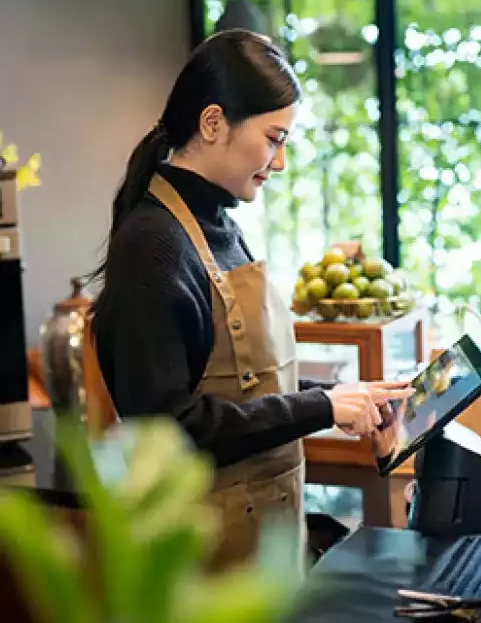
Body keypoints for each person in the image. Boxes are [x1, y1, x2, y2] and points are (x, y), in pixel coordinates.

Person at [90, 29, 412, 568]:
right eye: (273, 138)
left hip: (258, 551)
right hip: (199, 565)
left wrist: (344, 397)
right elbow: (166, 429)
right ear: (213, 123)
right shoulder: (152, 247)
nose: (279, 162)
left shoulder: (221, 227)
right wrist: (322, 405)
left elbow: (247, 390)